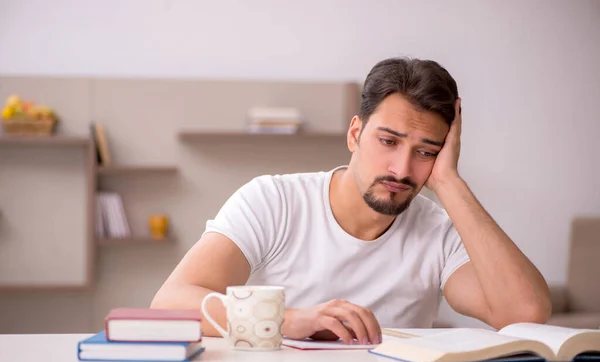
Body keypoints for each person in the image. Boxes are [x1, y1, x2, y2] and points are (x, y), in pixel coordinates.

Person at [151, 57, 551, 345]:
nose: (401, 169)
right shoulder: (273, 201)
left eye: (426, 152)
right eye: (388, 141)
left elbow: (524, 314)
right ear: (355, 134)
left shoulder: (438, 232)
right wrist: (285, 320)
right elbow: (169, 303)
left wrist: (449, 181)